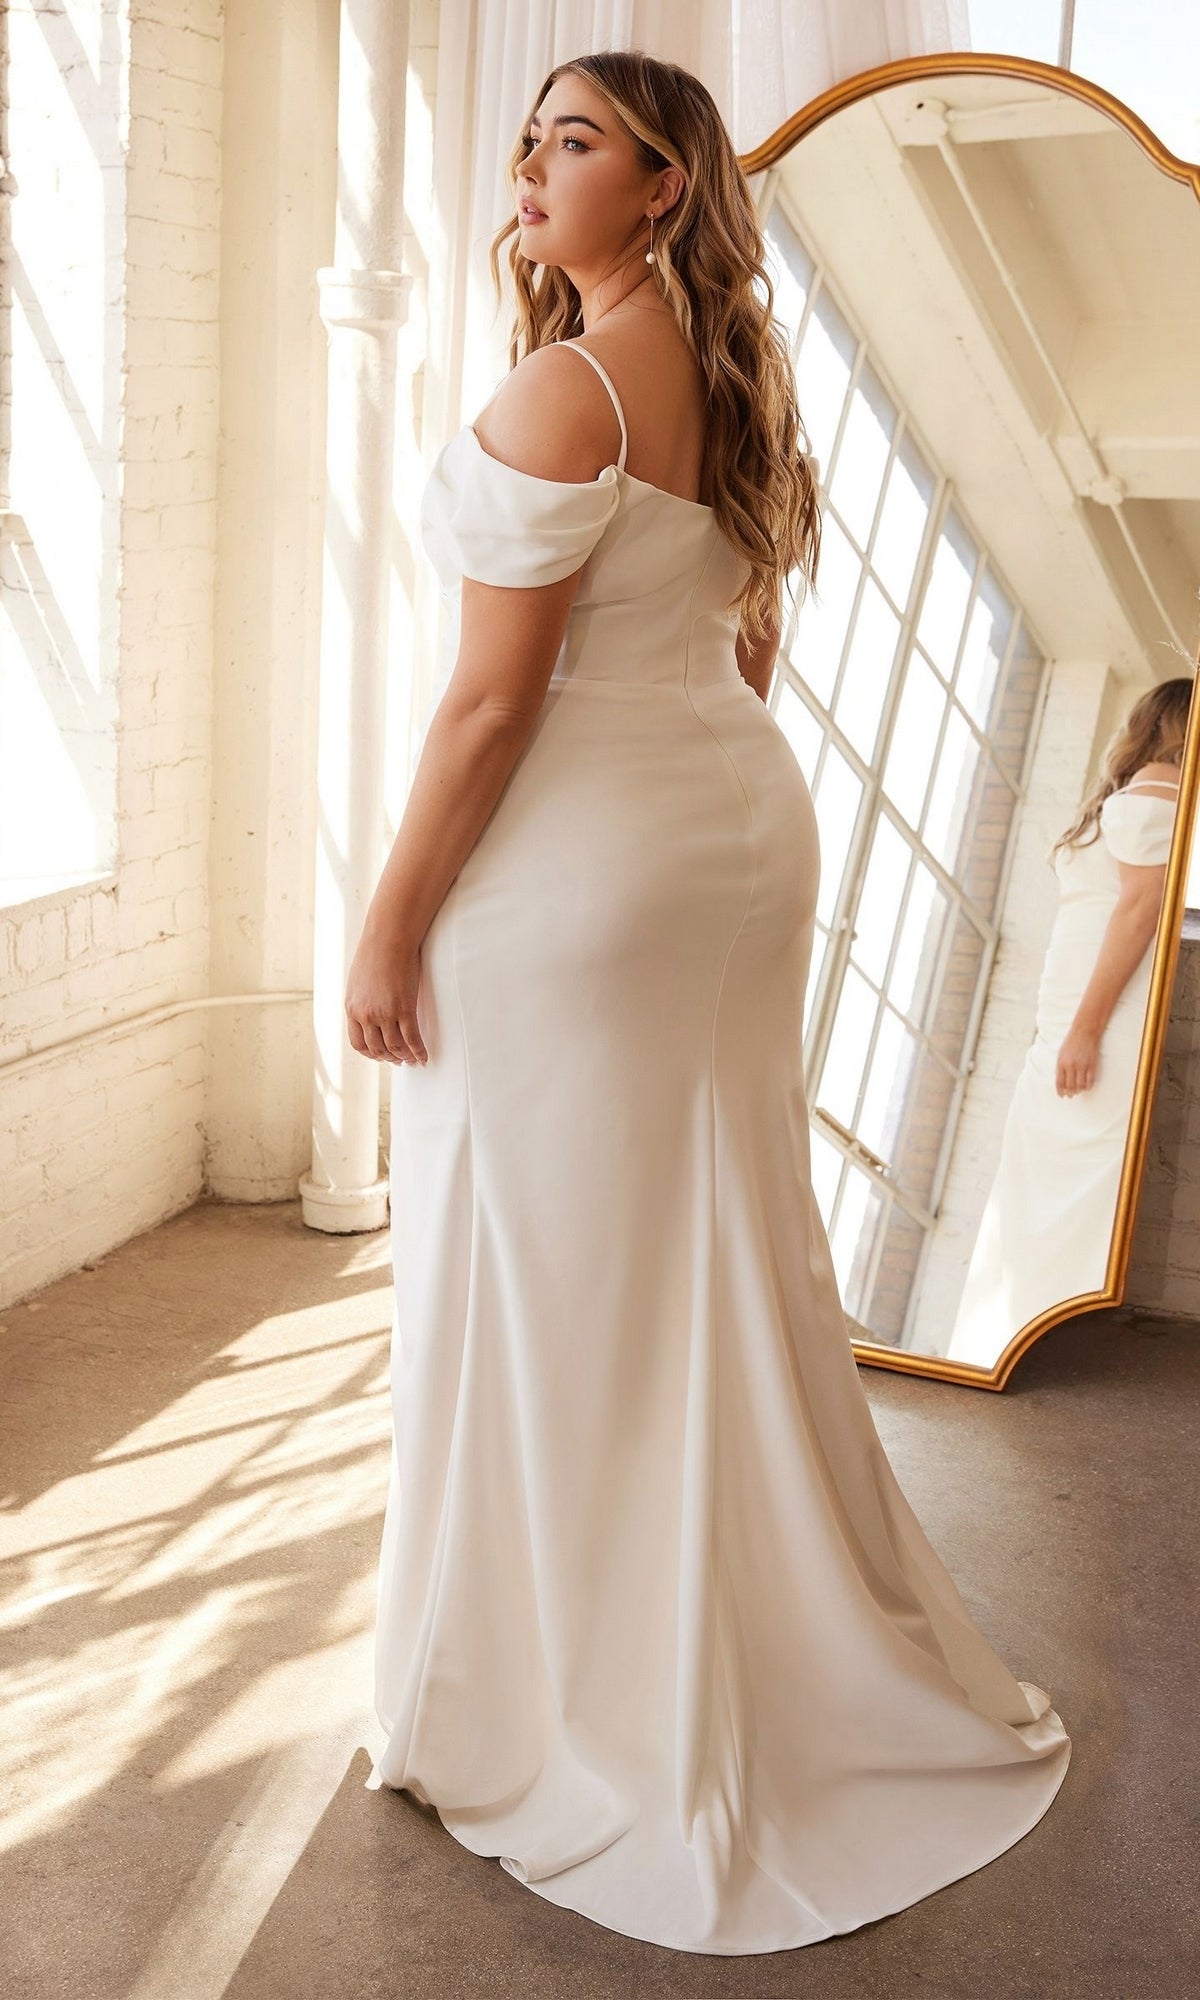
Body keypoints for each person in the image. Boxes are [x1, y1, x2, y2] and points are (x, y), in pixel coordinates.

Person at [346, 48, 1071, 1958]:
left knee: (549, 1266)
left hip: (581, 874)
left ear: (664, 185)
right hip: (733, 837)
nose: (528, 165)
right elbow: (742, 650)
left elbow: (490, 706)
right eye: (529, 136)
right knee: (703, 1242)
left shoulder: (563, 389)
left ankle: (541, 1690)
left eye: (576, 141)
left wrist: (389, 925)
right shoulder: (735, 382)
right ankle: (722, 1640)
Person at [947, 680, 1190, 1365]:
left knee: (1070, 1189)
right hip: (1077, 1021)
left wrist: (1084, 1030)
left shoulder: (1158, 785)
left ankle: (1036, 1345)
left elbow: (1139, 909)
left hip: (1098, 1023)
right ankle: (1027, 1343)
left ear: (1154, 723)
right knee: (1048, 1186)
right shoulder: (1154, 791)